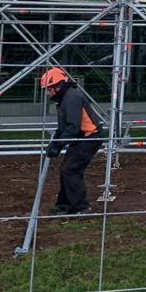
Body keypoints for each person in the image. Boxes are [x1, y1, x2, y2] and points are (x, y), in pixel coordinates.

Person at [41, 67, 105, 216]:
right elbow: (64, 127)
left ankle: (81, 208)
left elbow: (73, 127)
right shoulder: (64, 99)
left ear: (57, 86)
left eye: (48, 89)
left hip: (90, 137)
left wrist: (58, 145)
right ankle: (64, 204)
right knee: (67, 169)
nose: (47, 93)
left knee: (70, 170)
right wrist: (55, 140)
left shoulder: (72, 98)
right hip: (81, 137)